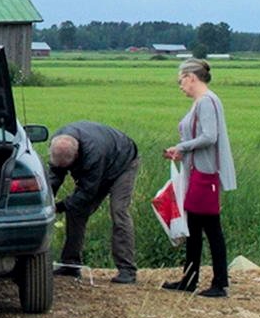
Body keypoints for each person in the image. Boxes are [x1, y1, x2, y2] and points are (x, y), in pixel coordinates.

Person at [162, 58, 235, 297]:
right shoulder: (202, 102)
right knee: (194, 226)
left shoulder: (206, 102)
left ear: (192, 77)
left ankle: (219, 283)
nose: (180, 85)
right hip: (197, 173)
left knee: (211, 228)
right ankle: (190, 279)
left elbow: (209, 136)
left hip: (205, 175)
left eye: (181, 80)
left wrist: (182, 147)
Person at [45, 121, 141, 284]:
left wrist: (59, 207)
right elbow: (54, 176)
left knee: (118, 211)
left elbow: (87, 193)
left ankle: (127, 270)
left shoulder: (94, 155)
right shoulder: (59, 143)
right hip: (101, 161)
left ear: (76, 156)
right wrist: (46, 201)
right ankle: (70, 264)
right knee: (75, 211)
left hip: (123, 164)